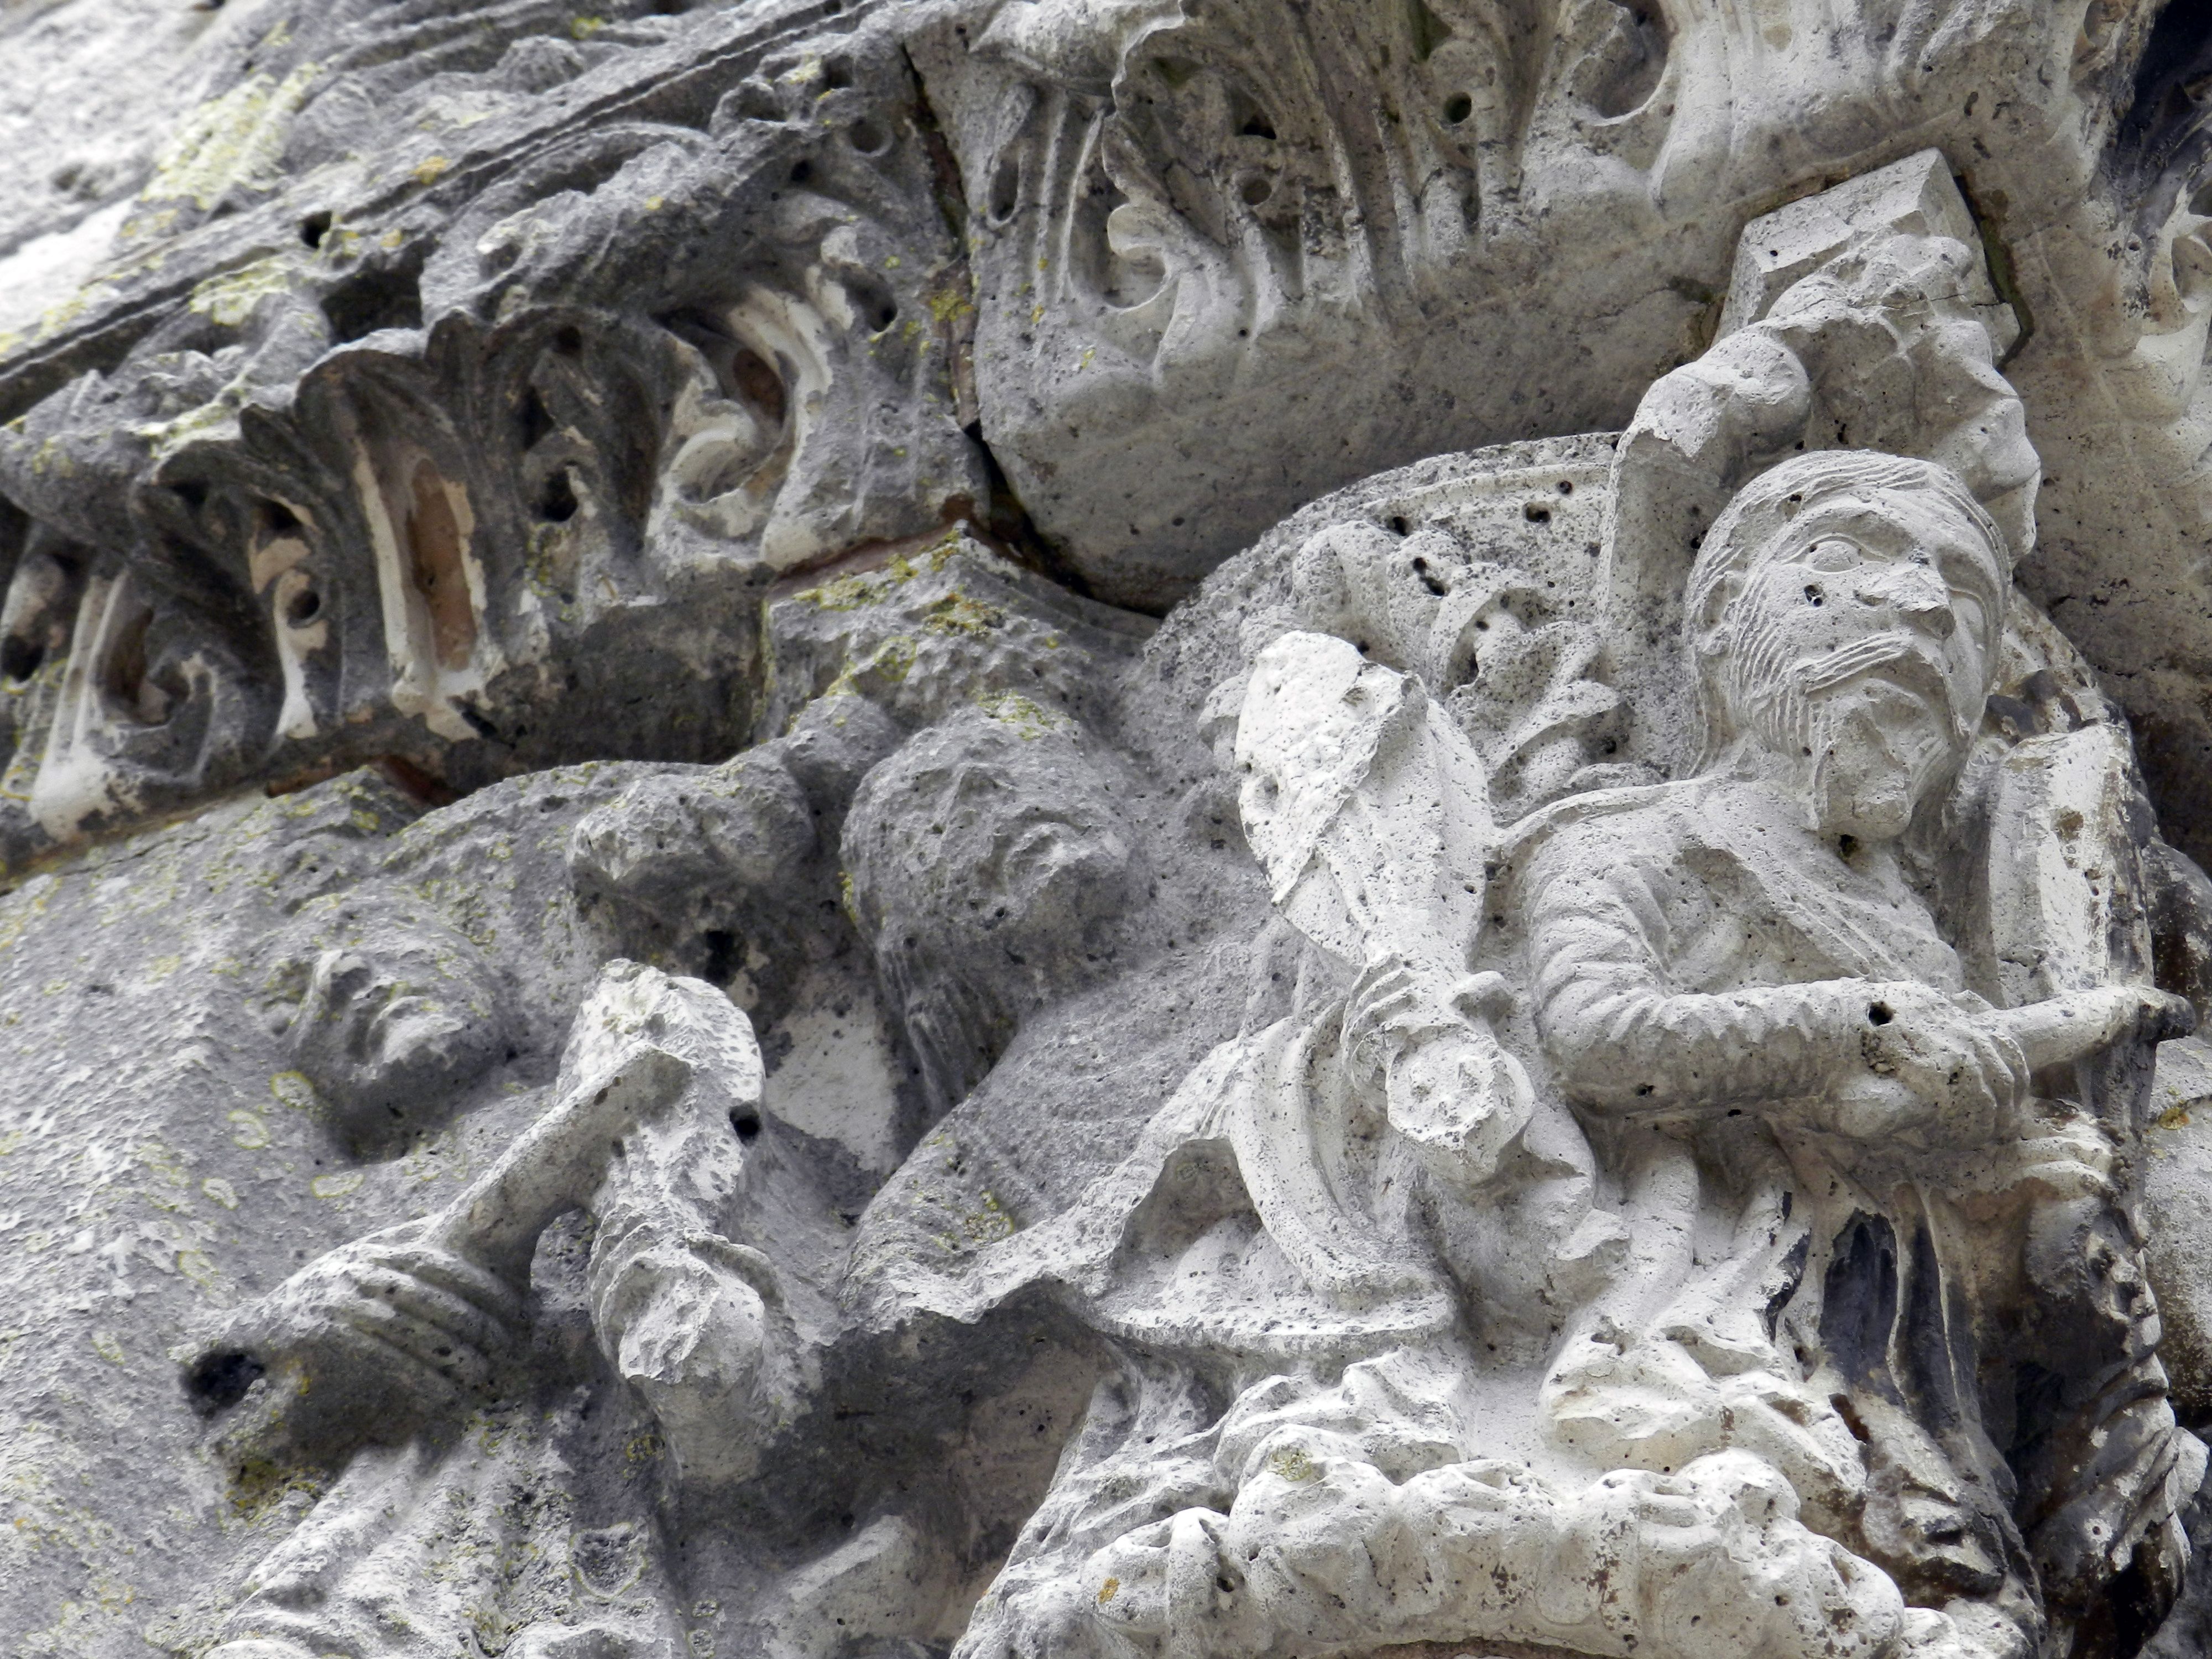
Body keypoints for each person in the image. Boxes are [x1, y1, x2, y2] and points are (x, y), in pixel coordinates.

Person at [1514, 450, 2204, 1659]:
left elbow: (1937, 1089)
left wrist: (2033, 1083)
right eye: (1842, 561)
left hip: (1899, 1325)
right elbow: (1592, 1036)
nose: (1920, 611)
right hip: (1712, 1312)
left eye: (1962, 602)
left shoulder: (1917, 921)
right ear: (1720, 624)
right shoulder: (1640, 837)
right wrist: (1863, 1024)